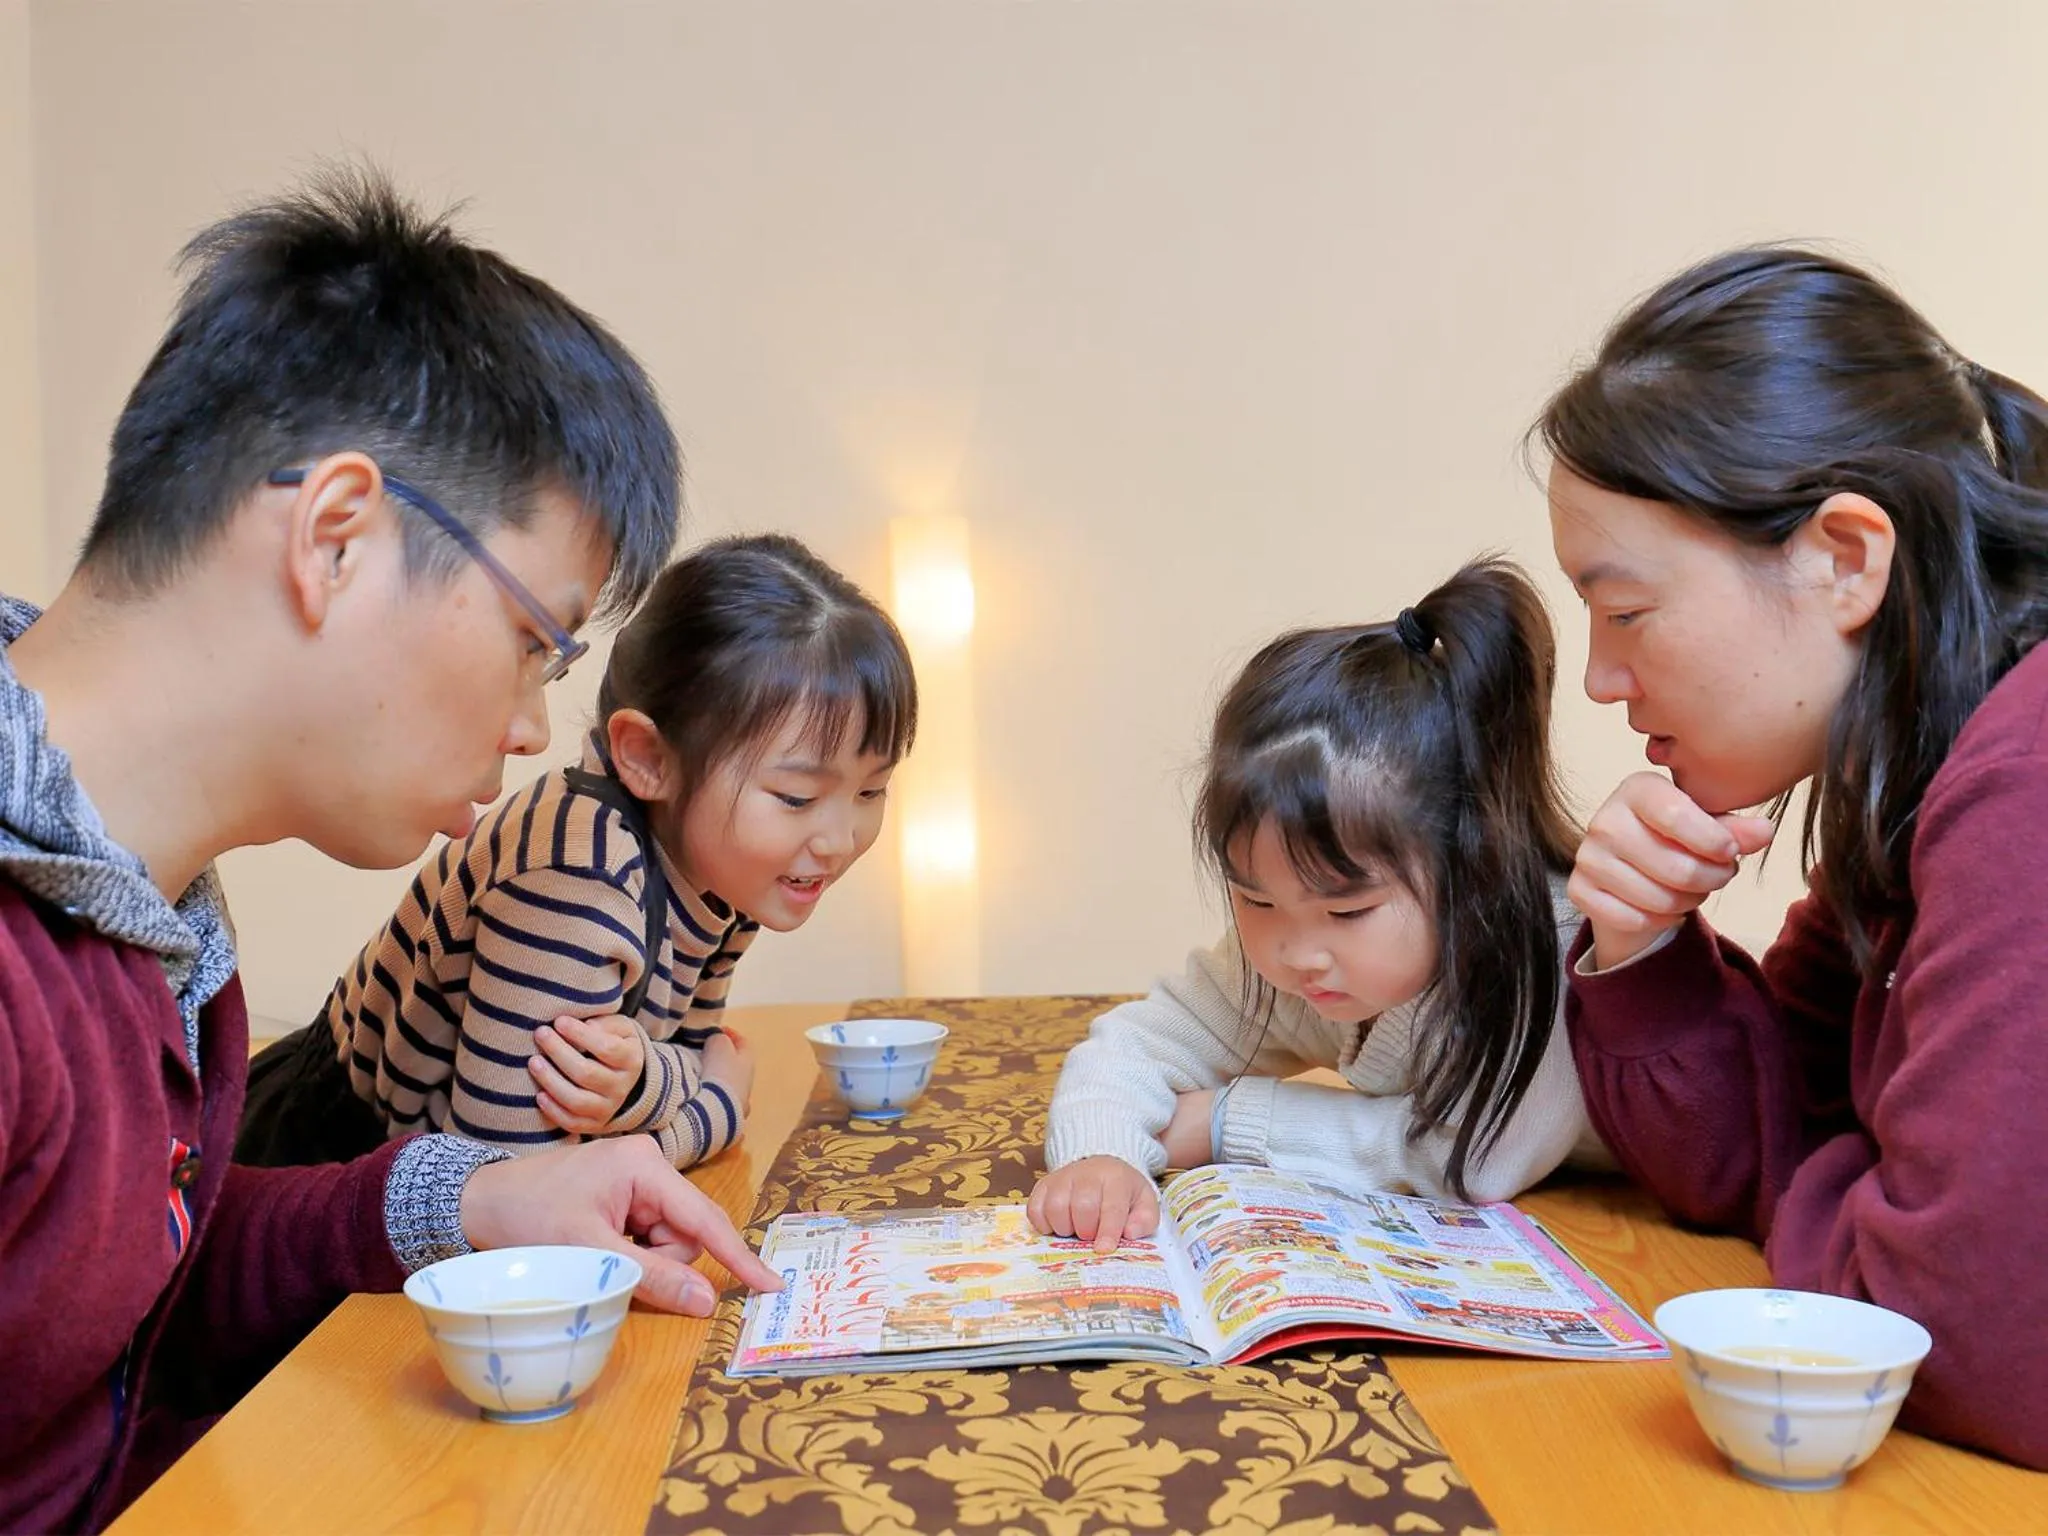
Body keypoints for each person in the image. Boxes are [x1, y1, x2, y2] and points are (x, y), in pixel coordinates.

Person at [0, 169, 778, 1535]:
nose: (538, 725)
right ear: (337, 538)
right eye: (537, 641)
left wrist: (466, 1197)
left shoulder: (143, 914)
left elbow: (115, 1306)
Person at [1539, 245, 2048, 1467]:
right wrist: (1644, 946)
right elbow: (1761, 1134)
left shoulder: (2022, 786)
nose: (1603, 681)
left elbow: (1956, 1341)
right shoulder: (1920, 763)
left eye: (1623, 612)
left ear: (1842, 558)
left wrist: (1838, 1192)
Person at [237, 532, 915, 1169]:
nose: (836, 841)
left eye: (871, 791)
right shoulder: (572, 879)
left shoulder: (729, 865)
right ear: (649, 757)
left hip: (442, 1179)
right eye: (796, 798)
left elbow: (678, 1058)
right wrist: (717, 1106)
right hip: (321, 1164)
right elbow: (523, 1179)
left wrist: (658, 1076)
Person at [1030, 558, 1609, 1253]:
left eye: (1347, 913)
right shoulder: (1298, 953)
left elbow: (1469, 1159)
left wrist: (1220, 1120)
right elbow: (1143, 1040)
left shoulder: (1546, 939)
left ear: (1468, 861)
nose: (1296, 952)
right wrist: (1102, 1154)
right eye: (1256, 898)